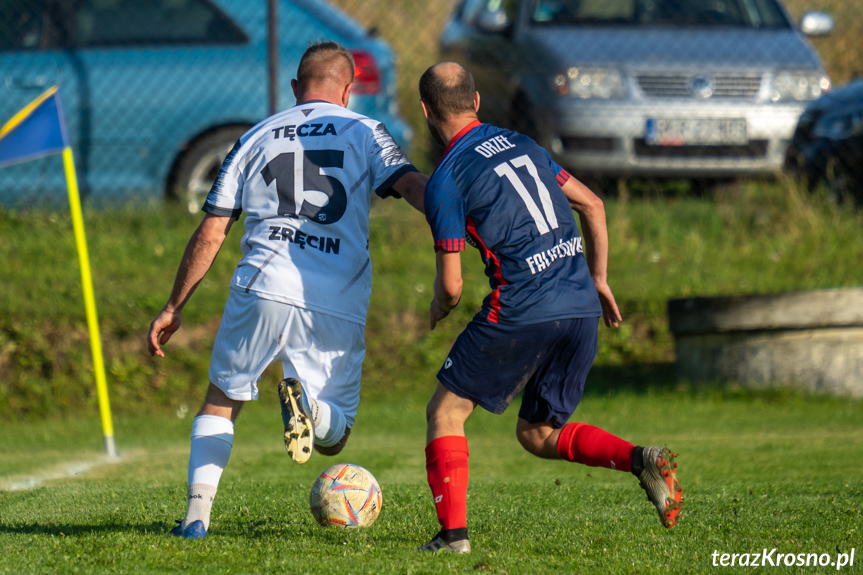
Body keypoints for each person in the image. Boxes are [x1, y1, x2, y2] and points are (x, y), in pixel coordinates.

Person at [146, 41, 427, 539]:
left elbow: (212, 231)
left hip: (262, 282)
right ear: (347, 91)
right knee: (334, 440)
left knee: (221, 399)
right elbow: (409, 186)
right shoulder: (364, 130)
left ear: (296, 88)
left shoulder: (255, 136)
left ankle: (195, 519)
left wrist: (174, 306)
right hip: (335, 295)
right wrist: (462, 220)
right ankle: (311, 407)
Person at [416, 62, 682, 553]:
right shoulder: (524, 144)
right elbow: (594, 205)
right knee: (538, 433)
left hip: (521, 307)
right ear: (476, 102)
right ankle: (640, 458)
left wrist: (438, 307)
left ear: (426, 111)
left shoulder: (447, 178)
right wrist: (598, 279)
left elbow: (451, 287)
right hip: (579, 303)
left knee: (446, 413)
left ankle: (452, 538)